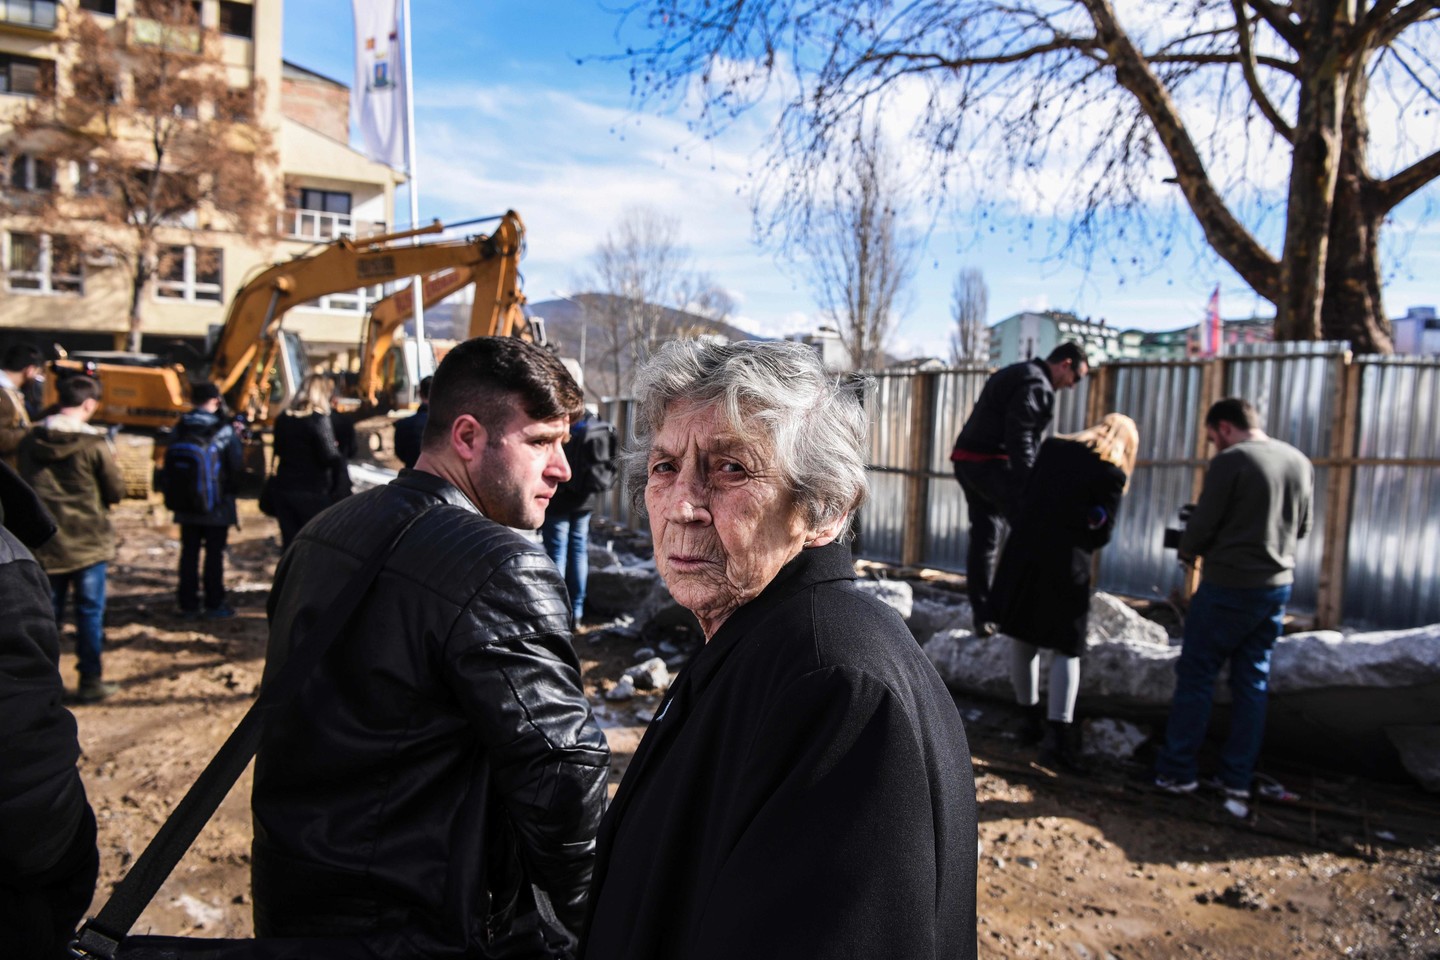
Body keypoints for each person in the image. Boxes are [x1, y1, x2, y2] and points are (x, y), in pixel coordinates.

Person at [582, 340, 976, 960]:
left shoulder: (836, 686)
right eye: (664, 468)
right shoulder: (759, 640)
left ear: (823, 508)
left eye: (730, 468)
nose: (682, 505)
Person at [251, 337, 610, 957]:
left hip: (295, 905)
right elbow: (561, 779)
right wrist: (602, 925)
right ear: (467, 437)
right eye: (539, 442)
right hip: (427, 925)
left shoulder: (321, 533)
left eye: (564, 443)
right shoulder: (500, 566)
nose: (563, 468)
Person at [1154, 397, 1313, 816]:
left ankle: (1178, 771)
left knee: (1196, 676)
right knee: (1252, 682)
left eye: (1212, 437)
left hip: (1228, 585)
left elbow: (1202, 527)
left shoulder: (1232, 461)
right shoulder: (1299, 461)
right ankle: (1237, 779)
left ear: (1224, 427)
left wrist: (1189, 548)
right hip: (1276, 588)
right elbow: (1303, 527)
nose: (1213, 445)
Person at [990, 413, 1139, 774]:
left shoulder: (1053, 448)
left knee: (1022, 638)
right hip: (1065, 566)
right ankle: (1057, 737)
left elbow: (1026, 494)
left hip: (1023, 554)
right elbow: (1100, 532)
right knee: (1065, 649)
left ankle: (1027, 720)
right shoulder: (1111, 474)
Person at [0, 460, 100, 960]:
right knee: (90, 611)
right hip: (27, 862)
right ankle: (94, 675)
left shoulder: (36, 441)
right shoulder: (7, 559)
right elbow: (20, 747)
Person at [951, 341, 1088, 636]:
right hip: (991, 464)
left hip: (968, 460)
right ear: (1065, 364)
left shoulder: (1018, 371)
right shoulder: (1036, 383)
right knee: (1033, 532)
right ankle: (1026, 612)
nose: (1074, 385)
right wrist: (1032, 484)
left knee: (986, 538)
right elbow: (1021, 436)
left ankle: (985, 615)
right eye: (1076, 377)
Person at [19, 374, 125, 704]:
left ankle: (41, 687)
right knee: (90, 615)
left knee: (45, 617)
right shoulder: (95, 444)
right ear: (89, 404)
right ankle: (90, 681)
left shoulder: (29, 440)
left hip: (45, 541)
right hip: (88, 542)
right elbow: (115, 491)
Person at [167, 381, 245, 619]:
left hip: (186, 504)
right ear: (215, 400)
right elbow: (236, 466)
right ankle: (214, 602)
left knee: (188, 553)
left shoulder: (180, 426)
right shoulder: (223, 429)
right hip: (216, 506)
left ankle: (187, 603)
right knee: (214, 555)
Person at [541, 405, 617, 622]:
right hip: (586, 498)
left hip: (560, 498)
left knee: (557, 553)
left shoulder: (561, 421)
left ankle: (555, 614)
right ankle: (577, 612)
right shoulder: (593, 419)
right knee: (578, 550)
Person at [267, 373, 346, 548]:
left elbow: (278, 449)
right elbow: (330, 456)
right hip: (313, 491)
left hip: (285, 488)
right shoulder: (318, 419)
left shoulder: (283, 418)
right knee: (312, 546)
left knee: (290, 545)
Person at [1, 342, 44, 468]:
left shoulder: (9, 392)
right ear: (30, 370)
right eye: (38, 373)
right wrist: (34, 430)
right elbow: (2, 439)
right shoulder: (3, 394)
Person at [392, 373, 431, 469]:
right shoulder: (446, 426)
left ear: (419, 394)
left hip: (410, 474)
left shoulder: (403, 424)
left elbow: (400, 452)